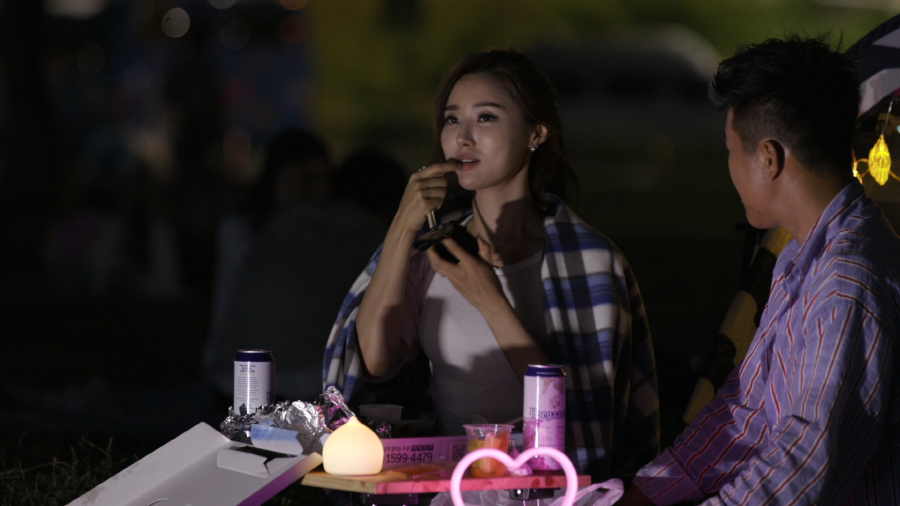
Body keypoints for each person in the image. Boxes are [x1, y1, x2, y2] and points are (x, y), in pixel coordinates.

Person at [323, 49, 659, 482]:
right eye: (451, 119)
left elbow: (582, 416)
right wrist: (402, 229)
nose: (462, 138)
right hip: (447, 483)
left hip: (544, 484)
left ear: (536, 132)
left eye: (485, 118)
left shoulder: (588, 262)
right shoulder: (431, 252)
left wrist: (489, 298)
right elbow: (375, 362)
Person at [618, 36, 900, 506]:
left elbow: (807, 461)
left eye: (731, 150)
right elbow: (746, 412)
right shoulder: (802, 258)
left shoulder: (847, 284)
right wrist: (646, 495)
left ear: (768, 157)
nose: (729, 169)